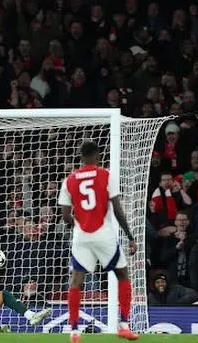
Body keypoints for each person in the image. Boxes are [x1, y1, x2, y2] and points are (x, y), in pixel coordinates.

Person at [57, 141, 139, 342]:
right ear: (97, 156)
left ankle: (74, 331)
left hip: (81, 236)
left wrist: (79, 225)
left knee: (76, 281)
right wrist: (130, 236)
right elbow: (117, 209)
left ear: (81, 157)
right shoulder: (106, 175)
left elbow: (65, 216)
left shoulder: (69, 180)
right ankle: (124, 326)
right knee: (122, 275)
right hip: (104, 234)